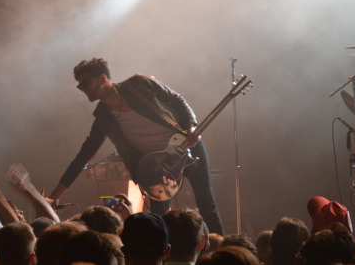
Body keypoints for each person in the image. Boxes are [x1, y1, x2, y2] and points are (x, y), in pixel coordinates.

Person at [47, 58, 224, 234]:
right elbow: (84, 155)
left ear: (103, 78)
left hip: (186, 147)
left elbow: (176, 99)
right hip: (157, 167)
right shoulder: (103, 117)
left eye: (86, 83)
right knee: (158, 219)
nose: (84, 89)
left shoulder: (138, 84)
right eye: (80, 86)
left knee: (207, 207)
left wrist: (191, 127)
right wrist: (53, 197)